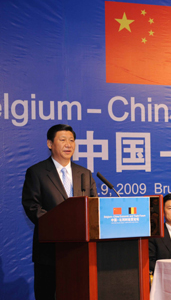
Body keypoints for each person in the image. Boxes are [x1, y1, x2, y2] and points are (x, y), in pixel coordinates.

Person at [22, 124, 97, 299]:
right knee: (48, 294)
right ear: (50, 144)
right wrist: (58, 227)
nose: (68, 144)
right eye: (62, 140)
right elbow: (32, 206)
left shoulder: (84, 174)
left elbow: (94, 206)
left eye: (71, 140)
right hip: (49, 250)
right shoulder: (37, 172)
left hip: (81, 250)